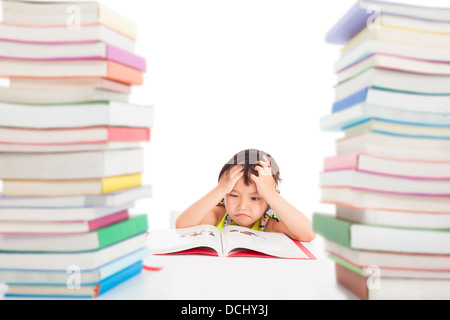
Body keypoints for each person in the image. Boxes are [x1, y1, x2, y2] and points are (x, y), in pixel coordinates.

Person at [176, 149, 316, 242]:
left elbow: (309, 234)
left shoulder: (270, 222)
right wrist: (220, 189)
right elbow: (182, 226)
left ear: (269, 201)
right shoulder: (220, 213)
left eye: (255, 198)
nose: (242, 207)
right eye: (233, 195)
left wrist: (269, 194)